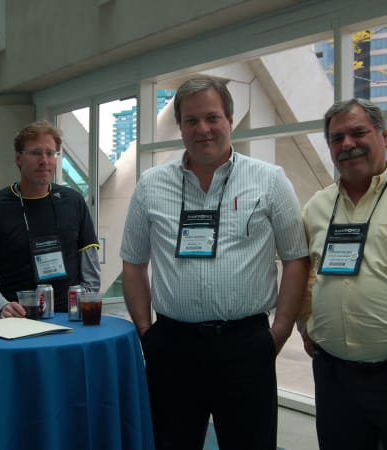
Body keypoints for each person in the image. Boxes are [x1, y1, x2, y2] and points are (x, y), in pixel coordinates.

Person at [120, 76, 309, 450]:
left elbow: (295, 259)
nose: (202, 129)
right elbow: (133, 262)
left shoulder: (270, 181)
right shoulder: (151, 185)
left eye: (212, 117)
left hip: (245, 346)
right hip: (172, 347)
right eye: (191, 120)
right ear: (180, 127)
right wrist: (146, 331)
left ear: (230, 120)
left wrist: (280, 331)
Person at [299, 98, 387, 450]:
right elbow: (307, 273)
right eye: (337, 138)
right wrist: (306, 324)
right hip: (334, 379)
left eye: (358, 133)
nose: (347, 144)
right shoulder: (318, 206)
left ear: (385, 137)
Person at [0, 120, 100, 318]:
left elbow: (90, 269)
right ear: (18, 158)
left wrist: (83, 309)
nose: (44, 160)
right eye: (36, 153)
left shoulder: (74, 202)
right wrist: (1, 306)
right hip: (15, 319)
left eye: (50, 153)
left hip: (69, 318)